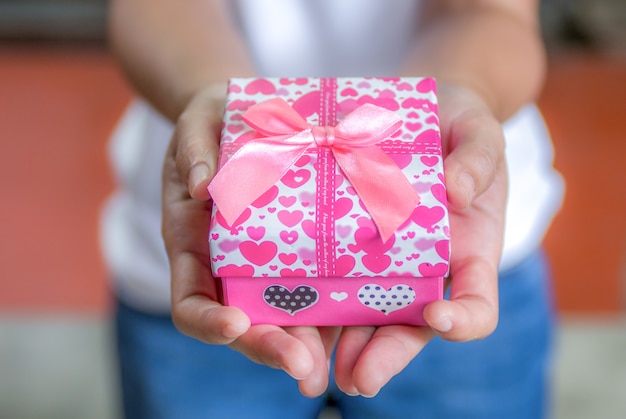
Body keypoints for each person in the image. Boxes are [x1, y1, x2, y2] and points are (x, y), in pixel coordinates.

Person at [103, 0, 564, 418]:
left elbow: (493, 13)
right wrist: (210, 99)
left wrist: (466, 88)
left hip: (461, 260)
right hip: (200, 254)